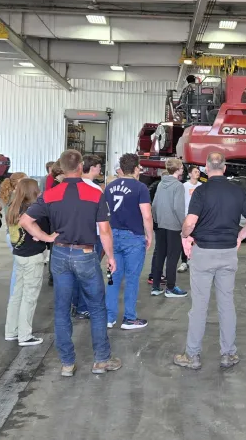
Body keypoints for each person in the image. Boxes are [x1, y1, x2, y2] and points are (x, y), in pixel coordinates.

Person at [20, 149, 121, 377]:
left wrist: (47, 238)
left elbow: (25, 220)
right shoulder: (95, 193)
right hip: (85, 254)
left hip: (60, 254)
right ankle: (101, 361)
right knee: (96, 307)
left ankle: (67, 363)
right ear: (80, 166)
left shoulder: (51, 194)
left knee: (62, 309)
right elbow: (104, 230)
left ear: (62, 168)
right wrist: (111, 257)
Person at [174, 152, 246, 371]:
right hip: (228, 253)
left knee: (199, 307)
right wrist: (240, 237)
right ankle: (228, 354)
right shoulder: (237, 191)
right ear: (224, 168)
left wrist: (185, 235)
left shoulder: (201, 191)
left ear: (205, 168)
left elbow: (191, 222)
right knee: (226, 304)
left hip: (203, 253)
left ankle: (192, 356)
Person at [104, 153, 153, 330]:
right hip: (133, 237)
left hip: (112, 235)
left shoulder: (109, 187)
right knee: (132, 278)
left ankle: (109, 317)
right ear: (135, 168)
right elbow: (146, 215)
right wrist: (150, 235)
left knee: (112, 278)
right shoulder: (140, 188)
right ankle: (129, 318)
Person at [5, 178, 47, 346]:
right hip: (32, 256)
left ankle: (11, 330)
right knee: (30, 296)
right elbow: (43, 230)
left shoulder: (13, 209)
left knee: (17, 294)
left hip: (19, 254)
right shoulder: (33, 211)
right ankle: (25, 335)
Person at [72, 154, 103, 319]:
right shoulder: (95, 189)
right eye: (99, 166)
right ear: (92, 168)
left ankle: (76, 304)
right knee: (89, 274)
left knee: (77, 273)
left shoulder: (73, 185)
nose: (100, 169)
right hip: (92, 235)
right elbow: (99, 217)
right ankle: (83, 308)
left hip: (75, 235)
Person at [151, 158, 187, 298]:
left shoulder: (161, 184)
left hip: (160, 225)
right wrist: (184, 225)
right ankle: (170, 288)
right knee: (172, 257)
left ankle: (155, 286)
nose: (183, 170)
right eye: (182, 168)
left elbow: (154, 205)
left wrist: (156, 220)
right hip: (173, 226)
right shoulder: (178, 186)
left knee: (160, 255)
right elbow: (178, 208)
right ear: (178, 169)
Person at [177, 165, 202, 273]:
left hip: (199, 217)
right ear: (190, 174)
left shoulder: (202, 186)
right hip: (187, 217)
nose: (198, 173)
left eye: (198, 171)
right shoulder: (184, 186)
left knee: (197, 240)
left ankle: (195, 261)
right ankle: (184, 261)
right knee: (185, 239)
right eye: (195, 171)